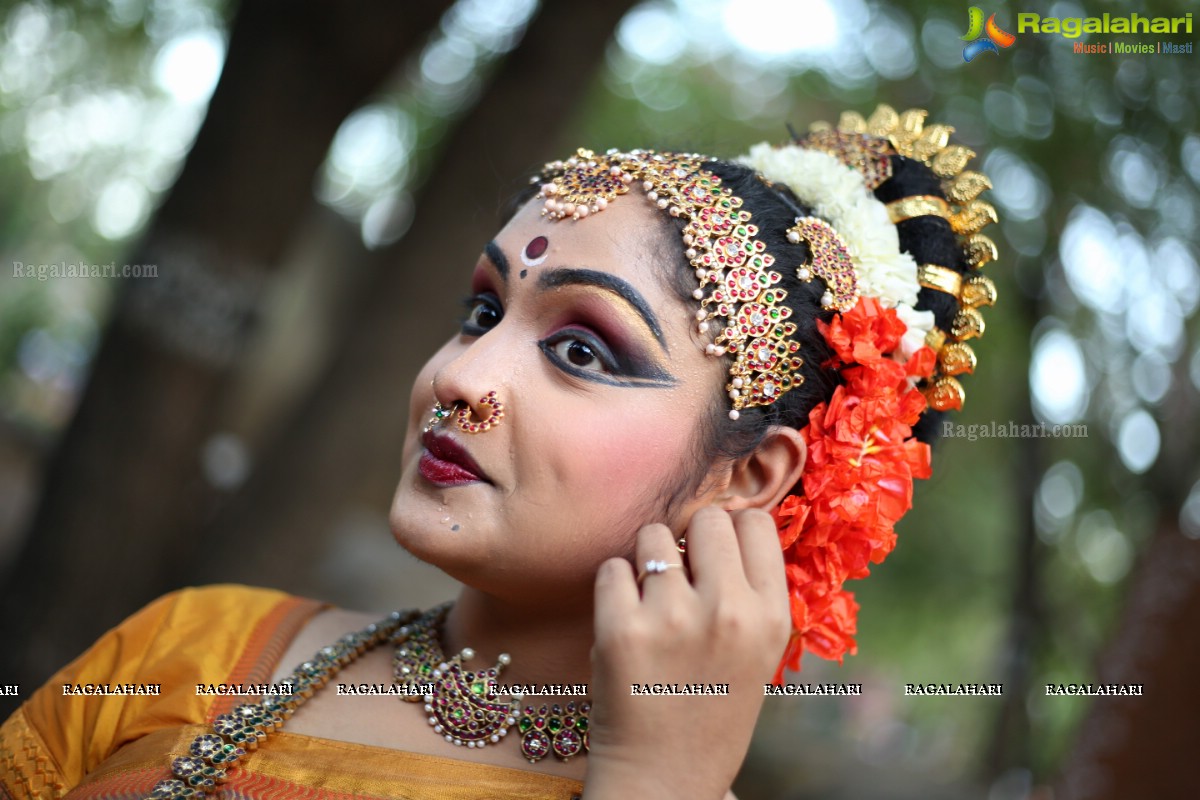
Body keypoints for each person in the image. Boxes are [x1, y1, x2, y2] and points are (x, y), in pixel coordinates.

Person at [0, 105, 999, 800]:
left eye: (580, 348)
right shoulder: (198, 643)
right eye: (482, 309)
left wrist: (659, 782)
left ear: (748, 475)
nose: (460, 375)